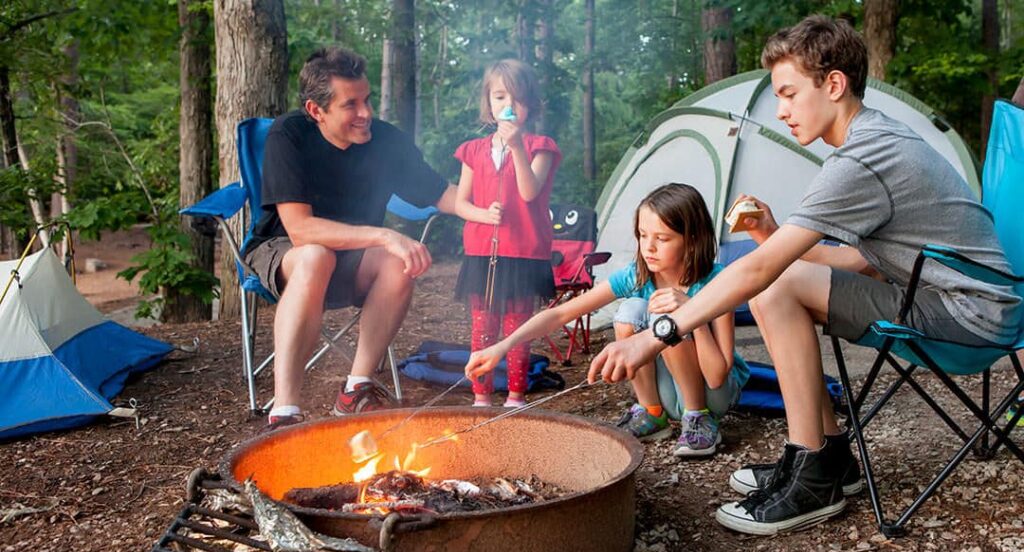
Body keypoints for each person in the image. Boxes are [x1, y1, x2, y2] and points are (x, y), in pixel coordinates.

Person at [587, 15, 1022, 535]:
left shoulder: (865, 155)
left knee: (775, 285)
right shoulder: (877, 139)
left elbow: (768, 270)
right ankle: (829, 456)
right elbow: (853, 263)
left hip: (968, 319)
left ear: (833, 84)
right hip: (954, 304)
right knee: (782, 283)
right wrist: (772, 232)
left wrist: (658, 335)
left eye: (789, 93)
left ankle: (812, 469)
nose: (782, 110)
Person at [242, 47, 459, 429]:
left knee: (398, 260)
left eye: (368, 100)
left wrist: (502, 205)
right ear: (316, 111)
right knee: (315, 256)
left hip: (354, 262)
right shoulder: (289, 135)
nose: (366, 114)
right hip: (287, 255)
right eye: (351, 105)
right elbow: (301, 229)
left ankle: (356, 389)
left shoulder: (385, 142)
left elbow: (445, 194)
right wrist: (383, 234)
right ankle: (285, 411)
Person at [467, 184, 749, 456]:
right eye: (642, 235)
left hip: (713, 397)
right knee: (631, 310)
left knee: (667, 314)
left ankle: (697, 420)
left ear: (692, 239)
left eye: (662, 239)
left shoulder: (716, 282)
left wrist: (692, 313)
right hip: (670, 389)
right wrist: (502, 347)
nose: (648, 247)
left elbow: (716, 377)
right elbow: (561, 314)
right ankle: (651, 414)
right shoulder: (638, 275)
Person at [453, 59, 562, 408]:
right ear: (489, 101)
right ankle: (481, 395)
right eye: (500, 97)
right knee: (483, 325)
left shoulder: (540, 146)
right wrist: (484, 215)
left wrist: (515, 146)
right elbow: (460, 204)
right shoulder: (473, 150)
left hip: (525, 250)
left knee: (517, 326)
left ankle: (515, 396)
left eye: (517, 98)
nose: (508, 106)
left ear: (530, 104)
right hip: (481, 251)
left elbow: (530, 192)